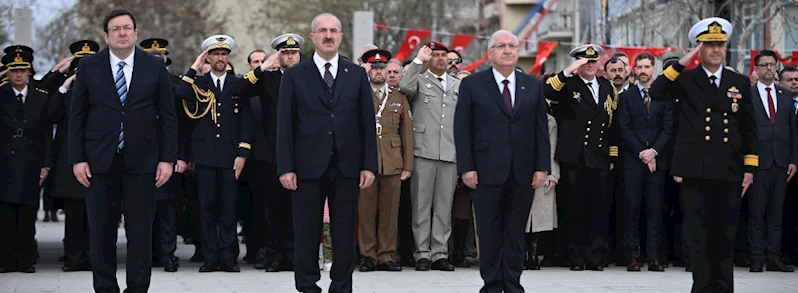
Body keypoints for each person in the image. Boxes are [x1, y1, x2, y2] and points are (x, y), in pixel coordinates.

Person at [68, 9, 177, 292]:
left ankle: (137, 288)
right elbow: (76, 117)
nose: (122, 33)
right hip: (99, 163)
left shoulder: (153, 67)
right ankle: (105, 288)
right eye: (115, 29)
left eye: (127, 28)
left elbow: (168, 117)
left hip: (143, 163)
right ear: (106, 36)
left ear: (136, 33)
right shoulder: (89, 67)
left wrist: (167, 159)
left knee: (140, 234)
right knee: (101, 234)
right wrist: (77, 159)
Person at [649, 17, 759, 292]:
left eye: (720, 44)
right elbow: (657, 90)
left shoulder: (738, 82)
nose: (715, 49)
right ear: (699, 48)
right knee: (699, 236)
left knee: (724, 236)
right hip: (695, 171)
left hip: (729, 170)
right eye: (709, 44)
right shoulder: (687, 79)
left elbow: (748, 127)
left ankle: (723, 288)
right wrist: (683, 61)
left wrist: (750, 167)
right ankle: (701, 288)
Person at [276, 12, 377, 293]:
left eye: (334, 30)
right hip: (306, 166)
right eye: (323, 30)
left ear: (341, 37)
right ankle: (307, 285)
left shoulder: (356, 74)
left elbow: (366, 123)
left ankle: (342, 286)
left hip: (347, 166)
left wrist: (369, 165)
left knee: (344, 233)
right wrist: (285, 167)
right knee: (307, 231)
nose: (328, 35)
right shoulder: (296, 75)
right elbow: (285, 124)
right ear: (313, 37)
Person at [455, 29, 550, 293]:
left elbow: (540, 128)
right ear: (490, 53)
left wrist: (543, 166)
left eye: (512, 45)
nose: (507, 50)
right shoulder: (473, 84)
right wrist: (466, 167)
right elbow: (462, 129)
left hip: (523, 172)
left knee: (515, 233)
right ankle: (492, 285)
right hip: (485, 172)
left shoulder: (532, 84)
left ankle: (512, 282)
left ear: (518, 51)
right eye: (501, 46)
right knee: (489, 232)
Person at [543, 44, 620, 271]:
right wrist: (568, 71)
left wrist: (612, 153)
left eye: (593, 61)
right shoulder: (569, 84)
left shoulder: (607, 87)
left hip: (598, 156)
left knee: (598, 209)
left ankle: (595, 258)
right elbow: (547, 92)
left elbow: (612, 123)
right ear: (577, 64)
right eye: (585, 62)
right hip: (574, 156)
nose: (590, 65)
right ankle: (575, 258)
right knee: (574, 208)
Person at [178, 35, 250, 273]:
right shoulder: (198, 83)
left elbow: (245, 122)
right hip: (205, 154)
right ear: (208, 57)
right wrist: (194, 67)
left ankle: (227, 258)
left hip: (230, 155)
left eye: (224, 54)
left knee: (229, 209)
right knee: (206, 208)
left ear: (228, 58)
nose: (220, 58)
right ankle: (210, 258)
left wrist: (242, 152)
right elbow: (180, 93)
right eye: (215, 54)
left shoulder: (237, 84)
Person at [234, 33, 303, 272]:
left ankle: (294, 256)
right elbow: (239, 89)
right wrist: (262, 68)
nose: (290, 57)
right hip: (269, 152)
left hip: (299, 153)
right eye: (285, 53)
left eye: (294, 53)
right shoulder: (267, 78)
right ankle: (274, 256)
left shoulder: (307, 78)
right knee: (272, 208)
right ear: (279, 55)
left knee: (296, 208)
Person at [399, 41, 461, 272]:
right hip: (423, 151)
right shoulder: (420, 80)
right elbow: (404, 86)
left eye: (444, 55)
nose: (441, 59)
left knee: (444, 208)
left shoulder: (457, 84)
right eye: (435, 55)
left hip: (449, 151)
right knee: (421, 206)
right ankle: (422, 253)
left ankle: (440, 253)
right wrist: (417, 61)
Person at [356, 48, 414, 273]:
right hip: (366, 163)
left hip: (393, 162)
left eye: (383, 69)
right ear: (368, 70)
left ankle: (386, 256)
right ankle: (368, 256)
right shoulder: (359, 95)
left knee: (390, 213)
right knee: (367, 211)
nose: (379, 73)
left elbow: (407, 133)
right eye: (375, 68)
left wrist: (408, 164)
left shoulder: (399, 97)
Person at [617, 52, 674, 272]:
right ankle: (633, 256)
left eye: (647, 67)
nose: (643, 71)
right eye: (639, 67)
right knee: (631, 210)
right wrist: (643, 152)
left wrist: (654, 152)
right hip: (633, 161)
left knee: (655, 210)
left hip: (658, 162)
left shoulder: (665, 96)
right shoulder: (627, 97)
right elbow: (624, 128)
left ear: (654, 69)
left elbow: (668, 128)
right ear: (634, 69)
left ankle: (654, 257)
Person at [0, 49, 55, 274]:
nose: (19, 75)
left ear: (29, 72)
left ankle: (25, 259)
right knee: (5, 214)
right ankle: (5, 260)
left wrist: (46, 163)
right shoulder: (1, 95)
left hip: (31, 160)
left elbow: (46, 134)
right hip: (4, 162)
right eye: (15, 71)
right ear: (8, 72)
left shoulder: (41, 97)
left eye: (23, 71)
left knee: (27, 213)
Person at [50, 40, 100, 273]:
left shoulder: (101, 89)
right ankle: (73, 256)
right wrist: (63, 86)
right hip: (71, 161)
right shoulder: (64, 92)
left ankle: (92, 256)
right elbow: (51, 115)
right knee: (73, 214)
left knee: (95, 214)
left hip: (97, 160)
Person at [138, 37, 186, 273]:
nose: (157, 59)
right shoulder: (135, 82)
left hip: (168, 154)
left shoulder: (175, 84)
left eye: (160, 56)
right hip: (142, 156)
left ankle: (168, 255)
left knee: (167, 211)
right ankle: (147, 255)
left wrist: (179, 156)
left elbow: (182, 124)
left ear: (166, 59)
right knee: (144, 211)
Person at [747, 50, 796, 273]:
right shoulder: (748, 96)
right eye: (764, 64)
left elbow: (793, 131)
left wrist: (793, 159)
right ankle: (757, 258)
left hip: (781, 162)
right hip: (758, 162)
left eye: (772, 64)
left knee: (776, 212)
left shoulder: (785, 95)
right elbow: (744, 132)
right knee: (757, 212)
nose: (769, 68)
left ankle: (774, 257)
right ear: (756, 69)